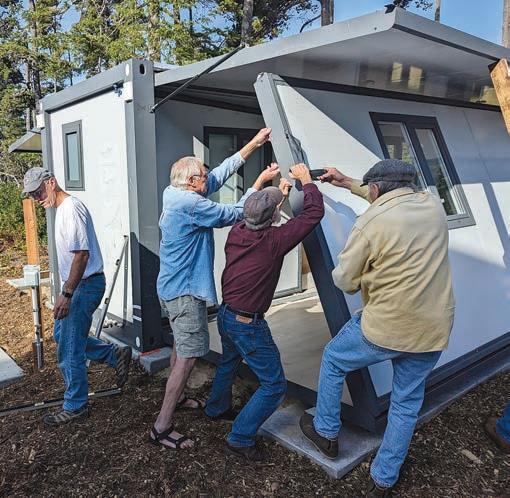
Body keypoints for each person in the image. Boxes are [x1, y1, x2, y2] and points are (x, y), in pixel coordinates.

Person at [298, 160, 455, 497]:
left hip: (388, 327)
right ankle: (383, 480)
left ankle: (325, 432)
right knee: (406, 404)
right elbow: (393, 199)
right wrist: (345, 182)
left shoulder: (371, 222)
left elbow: (344, 281)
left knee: (334, 358)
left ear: (375, 190)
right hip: (432, 328)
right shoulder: (432, 205)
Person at [151, 128, 280, 450]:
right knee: (189, 356)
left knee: (181, 346)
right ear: (192, 181)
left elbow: (220, 174)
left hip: (170, 288)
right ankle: (162, 426)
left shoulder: (175, 192)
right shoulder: (191, 205)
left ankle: (179, 397)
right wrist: (259, 186)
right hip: (185, 293)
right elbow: (236, 214)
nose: (209, 179)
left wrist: (254, 144)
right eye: (204, 176)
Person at [205, 163, 324, 462]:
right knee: (274, 385)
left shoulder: (237, 231)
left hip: (226, 316)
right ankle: (239, 438)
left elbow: (260, 214)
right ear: (273, 219)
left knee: (228, 363)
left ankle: (216, 409)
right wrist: (307, 181)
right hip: (247, 324)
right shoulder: (274, 241)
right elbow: (313, 214)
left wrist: (277, 197)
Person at [22, 168, 132, 426]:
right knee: (62, 336)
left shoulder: (71, 209)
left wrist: (67, 294)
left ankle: (76, 406)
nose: (37, 198)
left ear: (51, 183)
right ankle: (113, 355)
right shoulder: (62, 210)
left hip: (85, 285)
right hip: (79, 284)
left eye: (39, 191)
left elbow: (81, 255)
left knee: (69, 348)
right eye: (33, 195)